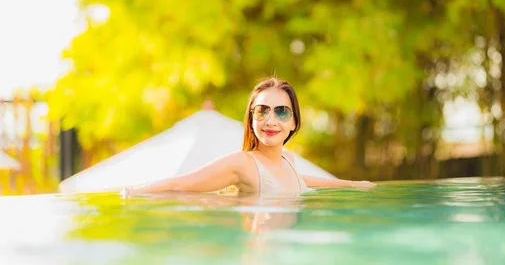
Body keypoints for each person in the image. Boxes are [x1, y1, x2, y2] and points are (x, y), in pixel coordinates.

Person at [121, 77, 375, 197]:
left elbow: (303, 180)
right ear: (251, 119)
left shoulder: (288, 160)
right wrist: (136, 191)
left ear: (294, 122)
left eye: (281, 112)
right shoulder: (243, 163)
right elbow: (183, 182)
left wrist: (351, 185)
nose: (271, 120)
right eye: (262, 111)